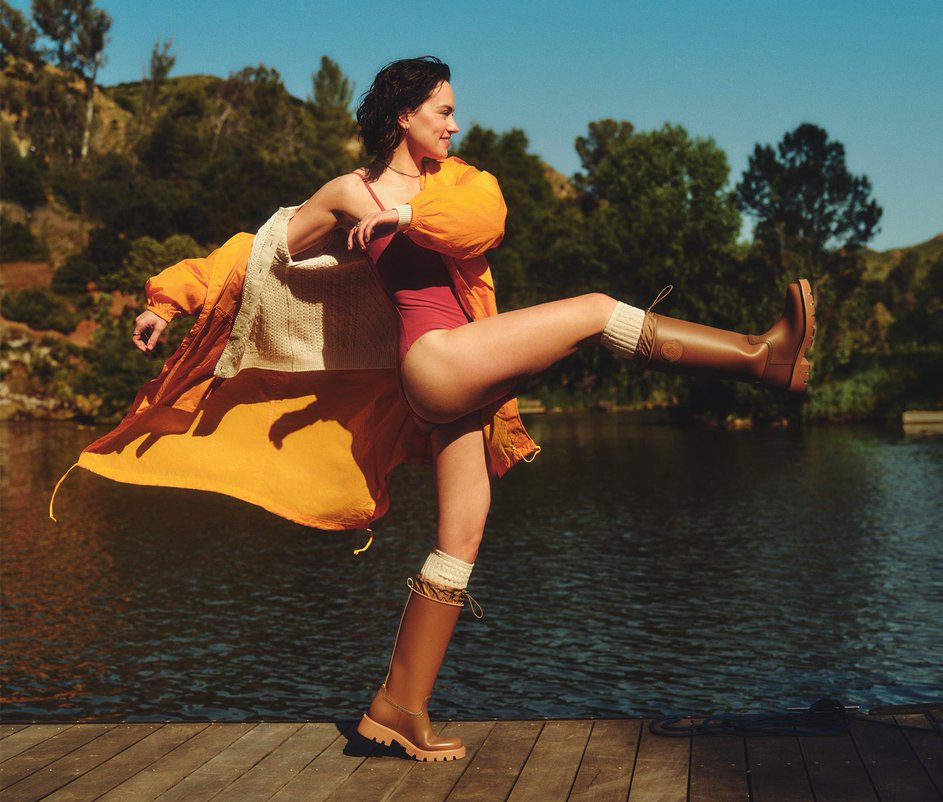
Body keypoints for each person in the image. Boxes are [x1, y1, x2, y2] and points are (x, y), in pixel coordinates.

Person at [126, 56, 815, 762]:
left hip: (457, 370)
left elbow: (482, 223)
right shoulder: (348, 190)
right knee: (596, 311)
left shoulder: (455, 184)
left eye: (454, 112)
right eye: (443, 111)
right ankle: (762, 358)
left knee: (464, 531)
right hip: (434, 362)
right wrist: (166, 299)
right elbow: (262, 253)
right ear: (403, 115)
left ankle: (396, 707)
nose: (456, 123)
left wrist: (403, 213)